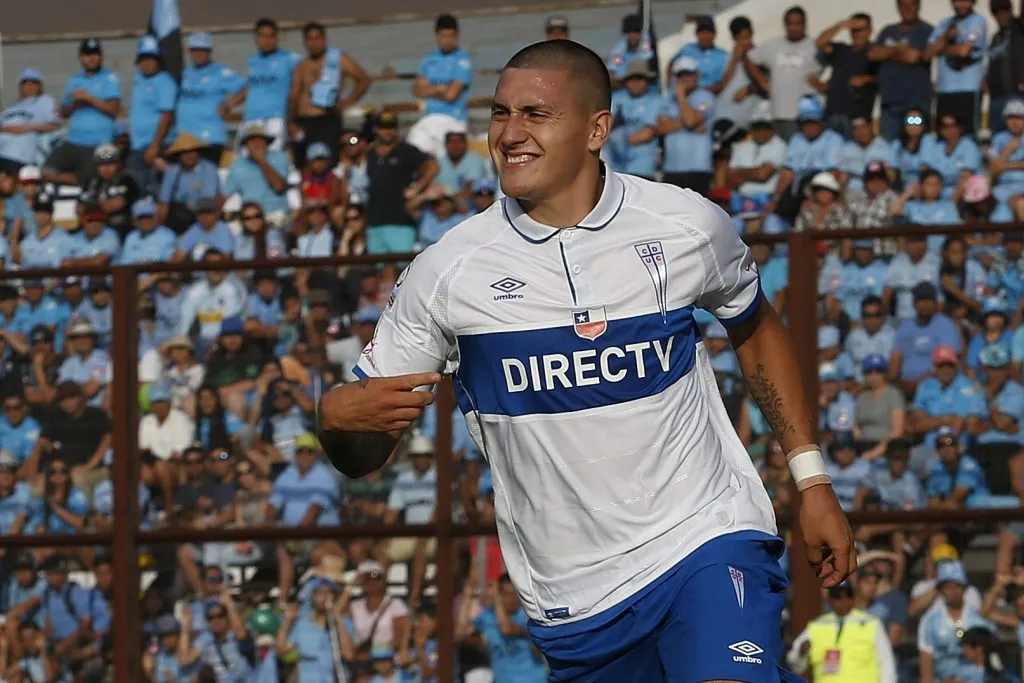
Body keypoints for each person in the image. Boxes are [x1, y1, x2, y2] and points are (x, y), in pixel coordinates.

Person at [316, 39, 855, 682]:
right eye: (499, 113)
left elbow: (756, 326)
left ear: (597, 128)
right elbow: (365, 451)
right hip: (577, 604)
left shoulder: (686, 225)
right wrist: (334, 419)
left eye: (535, 115)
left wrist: (811, 479)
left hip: (705, 539)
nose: (509, 134)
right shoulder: (447, 272)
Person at [289, 21, 371, 168]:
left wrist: (347, 102)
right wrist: (292, 123)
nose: (314, 43)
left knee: (329, 162)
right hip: (304, 121)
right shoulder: (301, 66)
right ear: (305, 42)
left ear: (324, 39)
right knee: (303, 164)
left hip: (328, 119)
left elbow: (363, 80)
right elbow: (294, 96)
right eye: (310, 39)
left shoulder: (338, 59)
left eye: (318, 38)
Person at [43, 38, 121, 187]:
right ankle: (76, 180)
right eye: (87, 55)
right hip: (73, 141)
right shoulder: (75, 79)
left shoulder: (109, 78)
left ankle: (80, 182)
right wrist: (73, 104)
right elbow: (64, 112)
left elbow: (113, 110)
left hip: (97, 143)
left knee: (91, 180)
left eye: (95, 54)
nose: (91, 58)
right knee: (46, 171)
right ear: (80, 57)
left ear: (101, 56)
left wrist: (89, 98)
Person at [786, 581, 897, 683]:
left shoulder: (871, 623)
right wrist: (802, 653)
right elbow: (795, 664)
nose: (843, 600)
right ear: (830, 599)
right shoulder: (817, 625)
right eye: (837, 596)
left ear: (853, 598)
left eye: (847, 595)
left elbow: (886, 663)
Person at [408, 14, 475, 160]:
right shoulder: (429, 59)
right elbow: (416, 90)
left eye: (451, 36)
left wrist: (429, 90)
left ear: (457, 35)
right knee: (413, 147)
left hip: (454, 119)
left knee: (444, 161)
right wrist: (440, 89)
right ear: (437, 35)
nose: (447, 41)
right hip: (430, 117)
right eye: (444, 36)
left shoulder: (463, 60)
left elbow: (452, 95)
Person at [230, 17, 302, 152]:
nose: (266, 40)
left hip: (276, 118)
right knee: (244, 158)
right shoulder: (253, 60)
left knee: (272, 158)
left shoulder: (290, 58)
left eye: (271, 36)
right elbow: (252, 86)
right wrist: (230, 103)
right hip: (251, 117)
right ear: (256, 38)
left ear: (277, 37)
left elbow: (306, 79)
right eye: (262, 36)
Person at [749, 6, 820, 141]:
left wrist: (824, 85)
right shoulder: (773, 45)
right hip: (778, 112)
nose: (794, 27)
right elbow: (750, 58)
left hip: (806, 116)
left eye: (799, 23)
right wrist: (761, 80)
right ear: (785, 25)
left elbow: (837, 61)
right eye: (791, 23)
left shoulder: (814, 46)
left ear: (805, 25)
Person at [176, 32, 245, 166]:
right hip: (185, 138)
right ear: (189, 51)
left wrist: (229, 104)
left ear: (209, 52)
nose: (199, 54)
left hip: (209, 138)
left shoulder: (220, 72)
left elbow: (247, 88)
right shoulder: (183, 73)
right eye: (195, 50)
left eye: (203, 50)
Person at [870, 0, 934, 140]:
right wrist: (897, 50)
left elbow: (913, 57)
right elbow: (873, 54)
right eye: (903, 5)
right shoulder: (888, 31)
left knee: (916, 143)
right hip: (890, 107)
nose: (907, 9)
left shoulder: (926, 30)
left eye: (912, 5)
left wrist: (887, 53)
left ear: (918, 6)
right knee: (889, 147)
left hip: (915, 107)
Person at [925, 0, 988, 135]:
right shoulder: (945, 23)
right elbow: (928, 52)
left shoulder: (977, 21)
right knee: (942, 136)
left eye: (966, 1)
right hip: (944, 90)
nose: (962, 4)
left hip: (968, 89)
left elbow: (964, 51)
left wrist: (941, 48)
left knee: (967, 136)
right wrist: (946, 37)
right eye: (958, 1)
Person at [815, 13, 880, 139]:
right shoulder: (842, 50)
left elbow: (886, 78)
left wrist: (867, 79)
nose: (857, 34)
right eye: (854, 30)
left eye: (861, 30)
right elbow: (820, 43)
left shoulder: (875, 53)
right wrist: (841, 25)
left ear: (870, 30)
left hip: (856, 118)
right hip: (832, 113)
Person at [657, 55, 716, 195]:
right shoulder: (667, 99)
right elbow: (661, 128)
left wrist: (681, 97)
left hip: (699, 167)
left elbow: (690, 121)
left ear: (697, 75)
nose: (685, 78)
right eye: (681, 75)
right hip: (672, 168)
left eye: (689, 74)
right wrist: (690, 124)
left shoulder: (706, 97)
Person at [128, 34, 177, 193]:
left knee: (158, 190)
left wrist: (155, 146)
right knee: (136, 187)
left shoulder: (165, 82)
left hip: (156, 146)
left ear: (158, 60)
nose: (146, 63)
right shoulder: (138, 79)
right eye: (143, 59)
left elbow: (167, 116)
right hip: (138, 146)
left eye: (151, 58)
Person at [607, 59, 660, 180]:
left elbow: (646, 134)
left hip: (643, 169)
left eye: (640, 78)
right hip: (616, 169)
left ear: (647, 80)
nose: (635, 82)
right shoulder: (617, 97)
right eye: (631, 78)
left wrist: (615, 138)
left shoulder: (655, 100)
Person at [0, 68, 60, 174]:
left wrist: (26, 128)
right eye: (25, 83)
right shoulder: (12, 106)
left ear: (40, 86)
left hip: (19, 155)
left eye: (33, 82)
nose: (29, 86)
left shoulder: (44, 101)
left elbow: (54, 126)